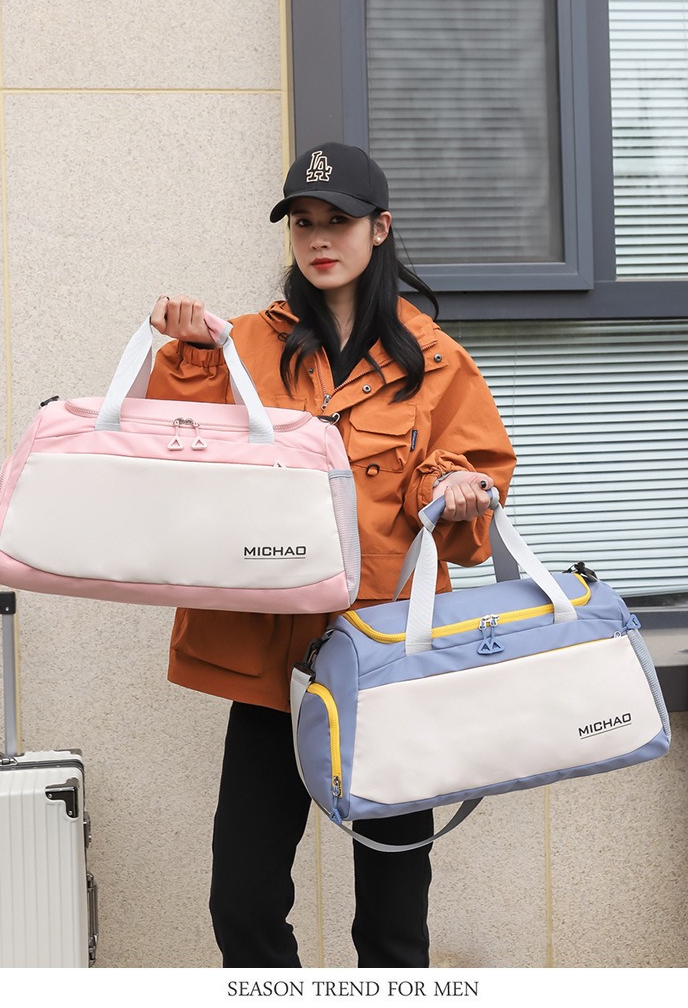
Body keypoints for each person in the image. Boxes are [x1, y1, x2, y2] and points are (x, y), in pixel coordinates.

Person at [148, 142, 517, 968]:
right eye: (303, 223)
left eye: (338, 222)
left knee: (393, 921)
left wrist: (458, 490)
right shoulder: (241, 343)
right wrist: (187, 352)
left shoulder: (434, 359)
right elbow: (175, 449)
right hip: (273, 658)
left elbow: (471, 469)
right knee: (242, 901)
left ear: (379, 229)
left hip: (384, 659)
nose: (319, 239)